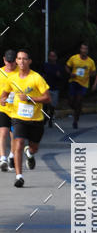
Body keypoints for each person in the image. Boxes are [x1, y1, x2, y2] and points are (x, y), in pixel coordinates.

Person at [0, 49, 50, 188]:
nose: (21, 61)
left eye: (24, 59)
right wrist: (3, 99)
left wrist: (30, 98)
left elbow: (47, 98)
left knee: (34, 147)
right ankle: (19, 176)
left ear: (29, 61)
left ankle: (30, 152)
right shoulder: (12, 78)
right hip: (18, 117)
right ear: (16, 61)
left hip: (36, 119)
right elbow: (4, 94)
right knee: (19, 142)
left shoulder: (36, 78)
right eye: (19, 59)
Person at [66, 42, 96, 129]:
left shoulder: (91, 61)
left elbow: (94, 72)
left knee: (79, 101)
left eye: (86, 49)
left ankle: (75, 120)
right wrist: (70, 73)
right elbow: (67, 66)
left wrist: (91, 74)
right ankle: (78, 110)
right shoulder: (74, 58)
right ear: (80, 49)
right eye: (82, 48)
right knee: (71, 101)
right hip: (73, 81)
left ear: (87, 51)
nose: (84, 50)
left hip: (83, 84)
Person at [0, 49, 17, 171]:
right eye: (8, 61)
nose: (10, 64)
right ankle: (3, 159)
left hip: (17, 110)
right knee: (3, 133)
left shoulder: (20, 73)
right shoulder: (0, 72)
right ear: (4, 60)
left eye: (12, 61)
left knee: (14, 135)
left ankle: (12, 155)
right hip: (3, 108)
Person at [42, 50, 63, 128]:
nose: (52, 57)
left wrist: (58, 75)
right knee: (45, 105)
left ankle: (50, 119)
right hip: (46, 88)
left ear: (56, 57)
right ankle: (45, 118)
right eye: (51, 56)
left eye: (53, 56)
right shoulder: (46, 65)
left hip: (55, 88)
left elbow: (61, 77)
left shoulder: (59, 66)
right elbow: (42, 75)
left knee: (52, 106)